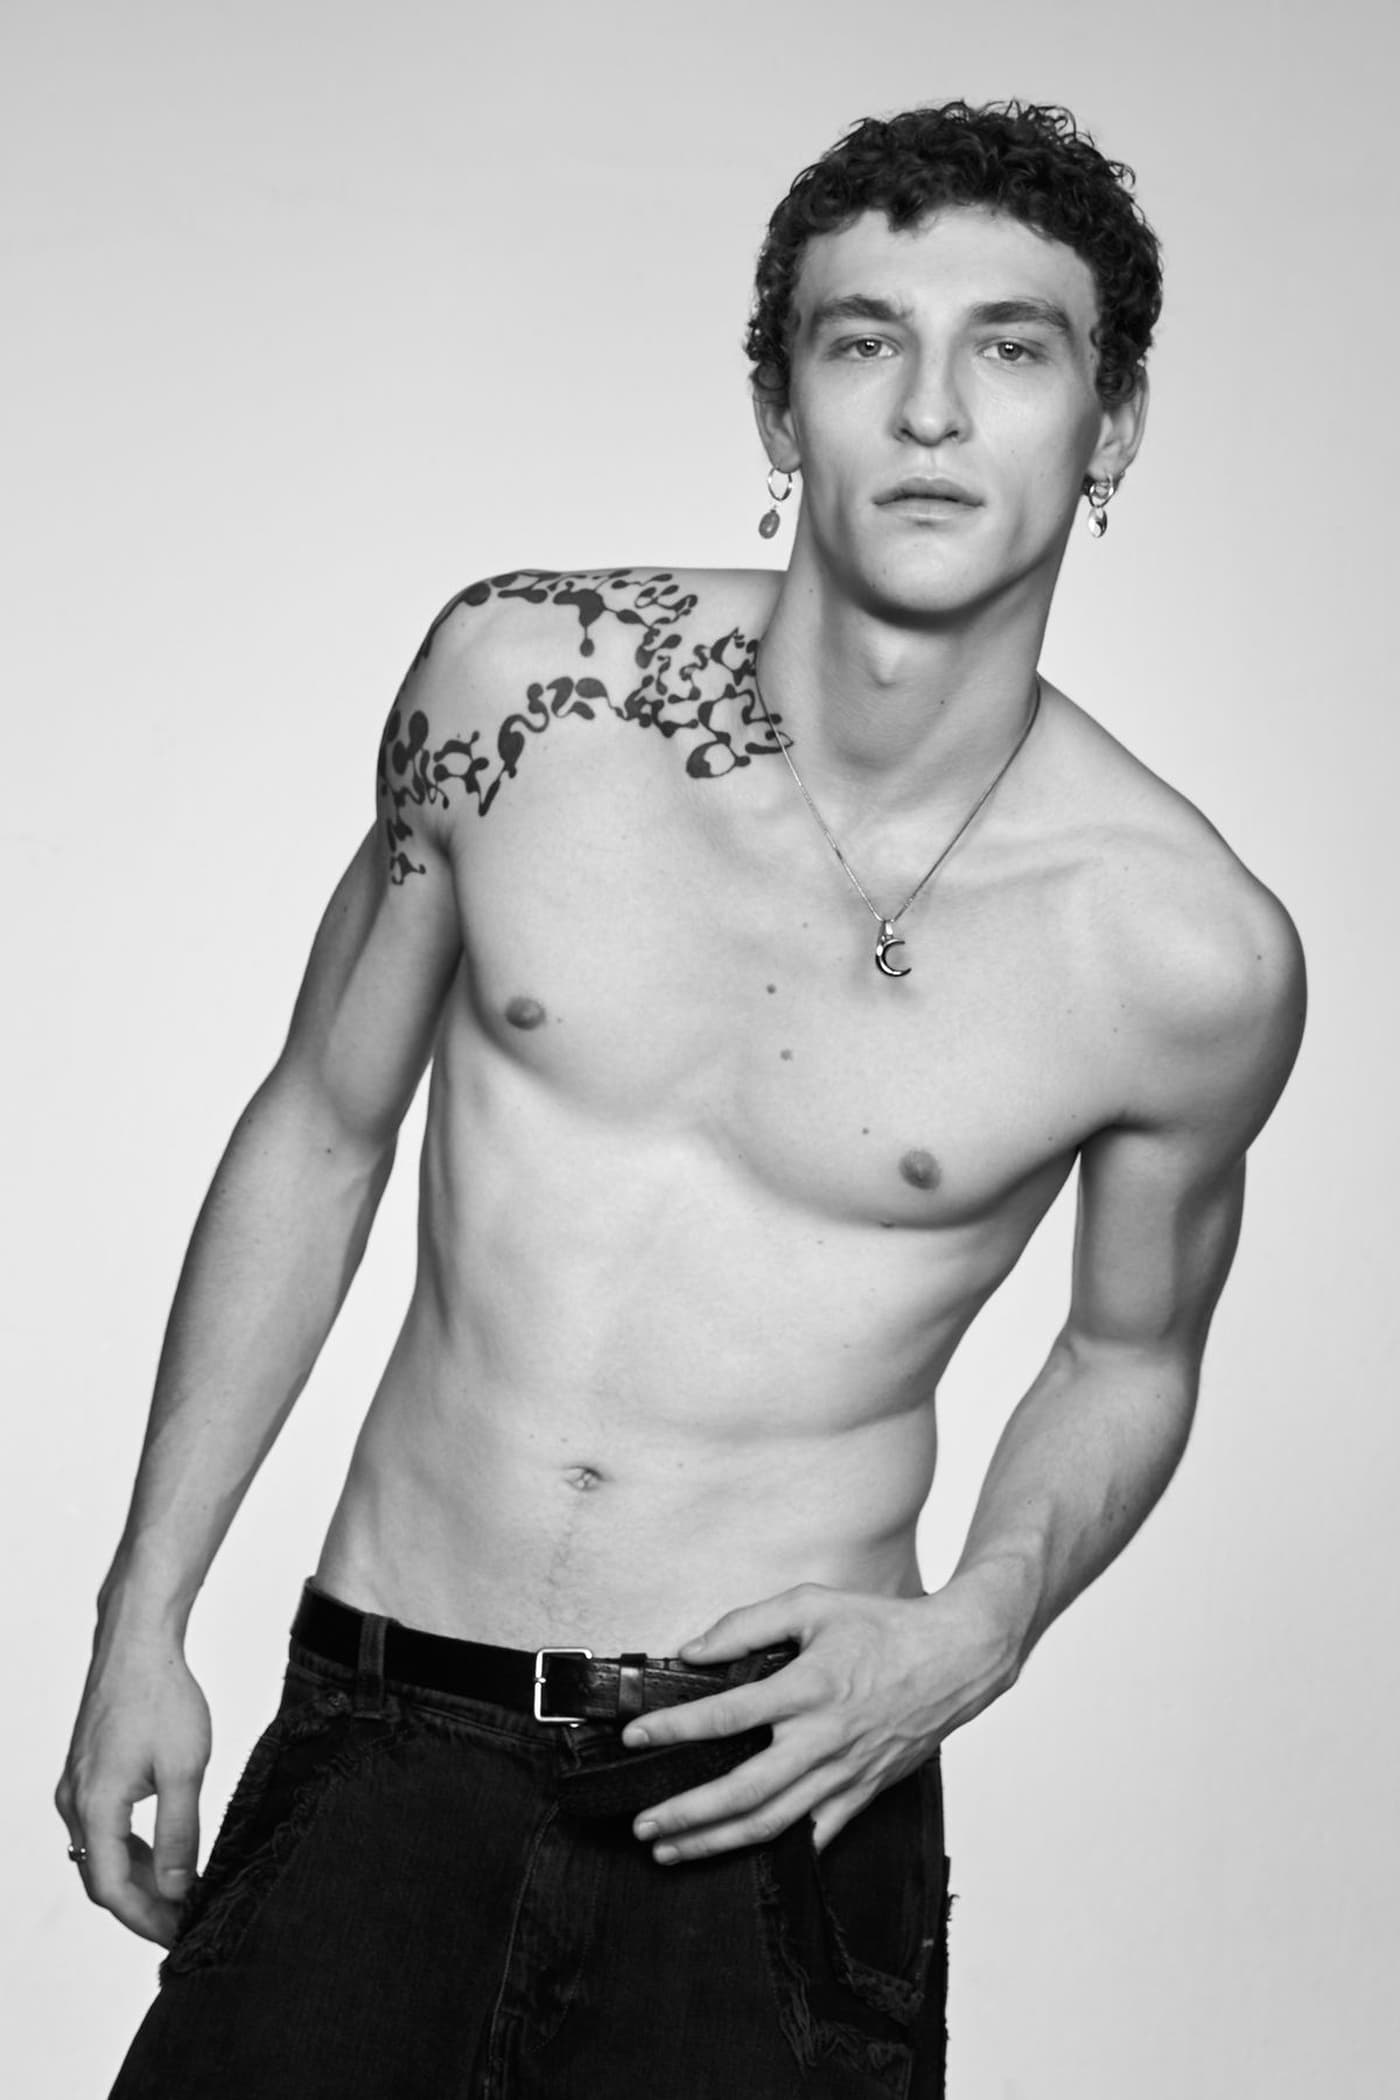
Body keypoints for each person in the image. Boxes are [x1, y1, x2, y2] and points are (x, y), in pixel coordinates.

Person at [58, 100, 1305, 2099]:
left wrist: (985, 1620)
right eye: (862, 340)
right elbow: (321, 1125)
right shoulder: (520, 692)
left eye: (1011, 347)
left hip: (774, 1795)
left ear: (1115, 423)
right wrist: (146, 1613)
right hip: (385, 1730)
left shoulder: (1177, 952)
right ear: (776, 408)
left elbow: (1130, 1351)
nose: (930, 410)